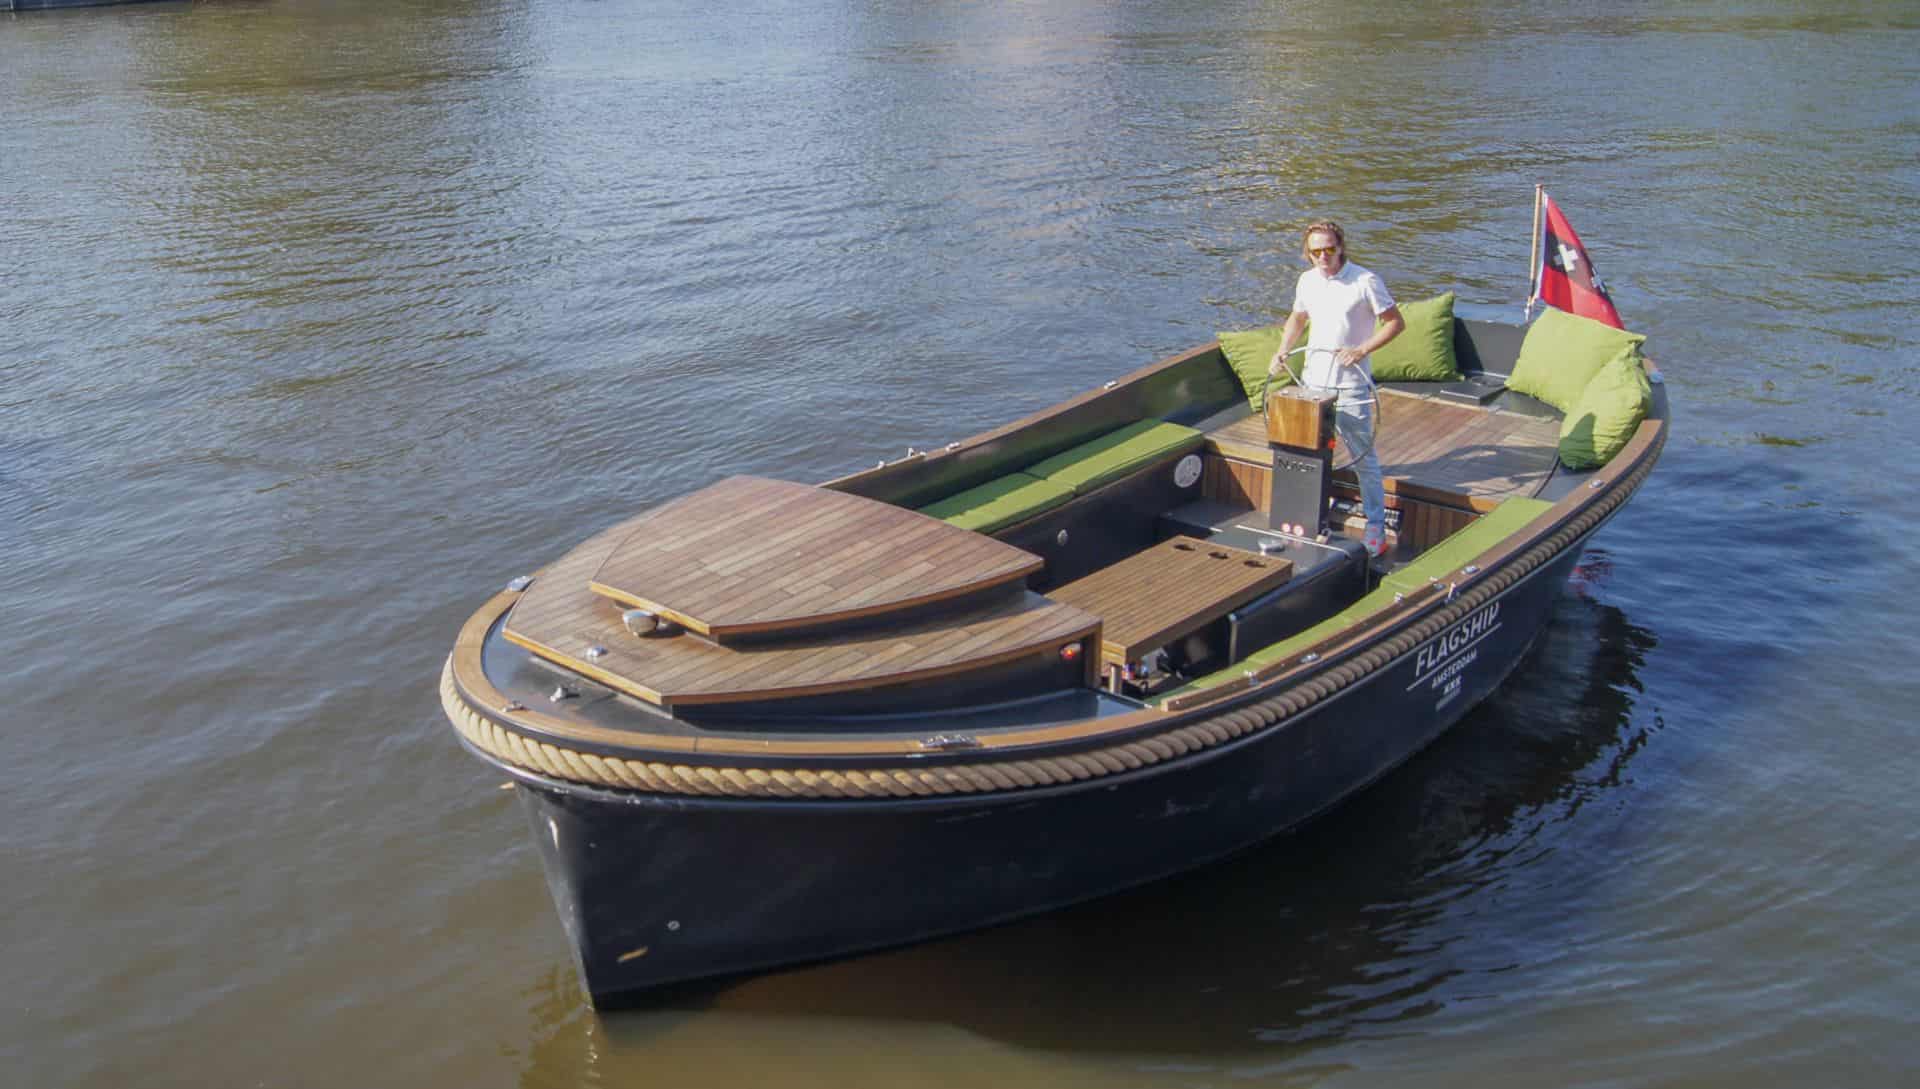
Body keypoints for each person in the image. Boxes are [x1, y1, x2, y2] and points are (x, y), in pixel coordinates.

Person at [1268, 221, 1404, 558]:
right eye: (1316, 251)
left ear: (1340, 247)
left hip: (1353, 386)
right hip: (1313, 384)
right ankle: (1311, 520)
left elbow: (1395, 323)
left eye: (1329, 249)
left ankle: (1375, 526)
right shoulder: (1307, 281)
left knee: (1363, 458)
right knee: (1312, 455)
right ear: (1308, 254)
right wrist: (1283, 348)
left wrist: (1361, 350)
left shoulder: (1365, 281)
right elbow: (1298, 318)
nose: (1323, 257)